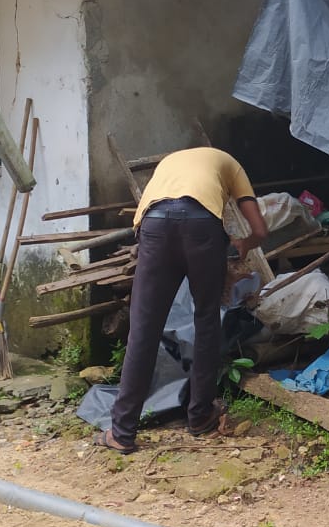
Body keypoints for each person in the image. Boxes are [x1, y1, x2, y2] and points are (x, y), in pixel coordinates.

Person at [94, 147, 268, 455]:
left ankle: (121, 431)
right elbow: (259, 229)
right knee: (206, 320)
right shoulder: (230, 162)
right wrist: (245, 243)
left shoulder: (168, 164)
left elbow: (155, 211)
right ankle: (200, 415)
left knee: (144, 328)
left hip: (155, 224)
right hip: (203, 227)